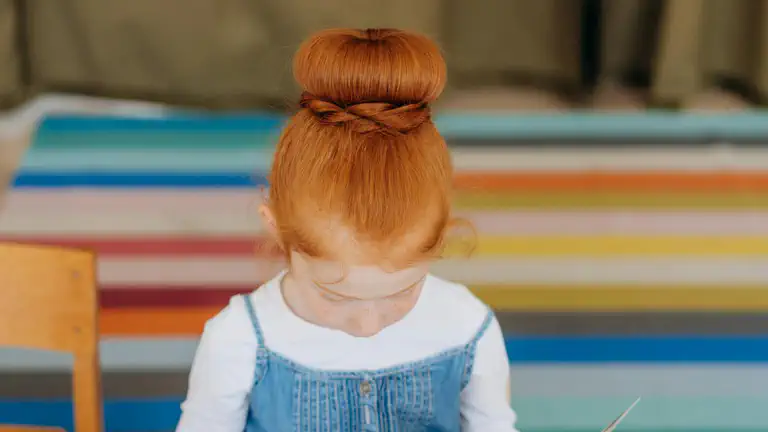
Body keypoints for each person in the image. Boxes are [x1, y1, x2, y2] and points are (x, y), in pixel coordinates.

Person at [176, 28, 518, 432]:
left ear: (439, 237)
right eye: (334, 296)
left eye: (402, 292)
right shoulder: (240, 340)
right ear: (277, 229)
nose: (368, 326)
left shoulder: (467, 328)